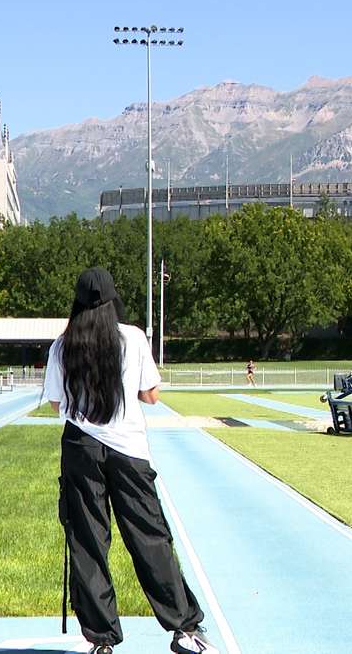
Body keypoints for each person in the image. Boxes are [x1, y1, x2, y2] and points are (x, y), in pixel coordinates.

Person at [44, 267, 218, 654]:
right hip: (128, 450)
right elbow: (151, 395)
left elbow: (58, 404)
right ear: (111, 300)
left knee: (88, 542)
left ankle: (101, 639)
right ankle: (185, 629)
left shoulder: (63, 345)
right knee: (150, 539)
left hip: (81, 448)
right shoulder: (133, 338)